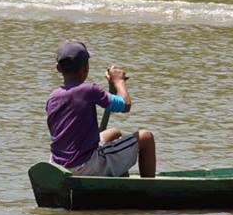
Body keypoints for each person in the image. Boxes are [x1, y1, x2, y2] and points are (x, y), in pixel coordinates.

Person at [46, 38, 156, 178]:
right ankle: (149, 192)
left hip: (59, 166)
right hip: (86, 165)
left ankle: (120, 186)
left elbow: (60, 135)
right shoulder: (89, 90)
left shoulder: (52, 98)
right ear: (86, 67)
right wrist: (118, 82)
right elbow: (125, 104)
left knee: (114, 133)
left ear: (58, 68)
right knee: (146, 137)